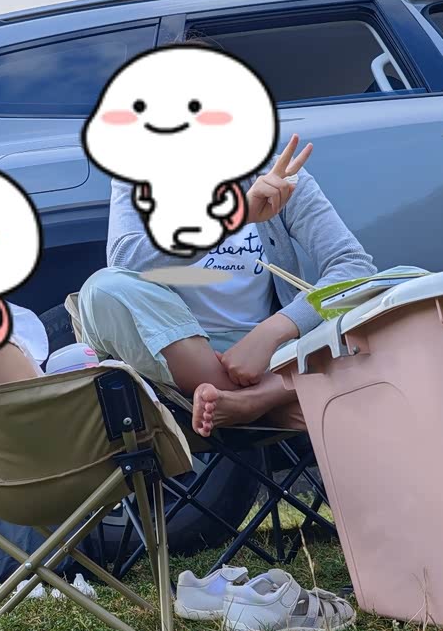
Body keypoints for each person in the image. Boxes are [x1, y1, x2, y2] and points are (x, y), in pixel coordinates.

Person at [77, 134, 376, 435]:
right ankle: (267, 398)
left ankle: (251, 402)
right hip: (186, 351)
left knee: (393, 305)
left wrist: (274, 330)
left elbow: (353, 265)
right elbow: (124, 259)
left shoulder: (275, 173)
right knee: (102, 288)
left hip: (271, 352)